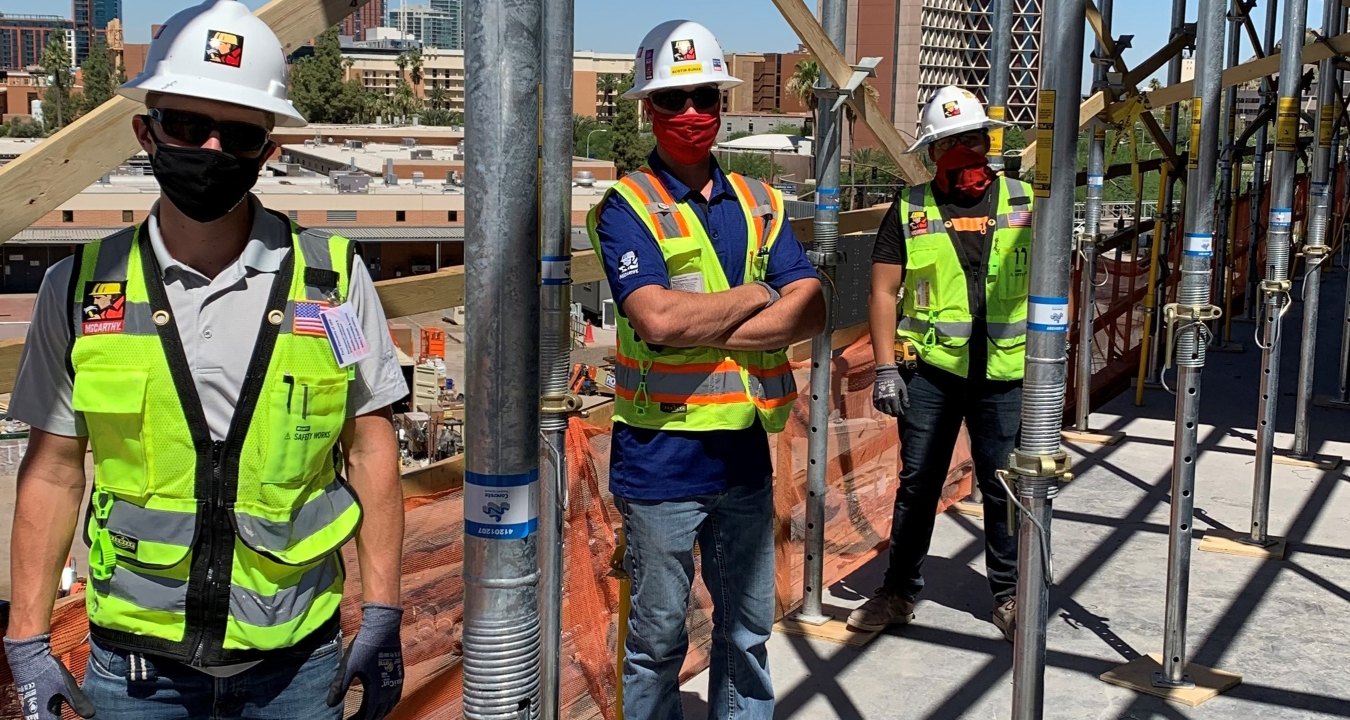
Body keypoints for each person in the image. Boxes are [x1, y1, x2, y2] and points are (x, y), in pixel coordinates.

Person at [2, 2, 409, 719]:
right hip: (137, 673)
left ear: (268, 149)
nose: (212, 150)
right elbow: (55, 471)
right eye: (188, 127)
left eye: (240, 133)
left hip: (296, 666)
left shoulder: (334, 282)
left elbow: (369, 446)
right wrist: (29, 640)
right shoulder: (78, 293)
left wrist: (381, 608)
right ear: (145, 133)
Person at [588, 19, 824, 720]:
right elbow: (656, 320)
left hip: (744, 454)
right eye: (673, 100)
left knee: (747, 632)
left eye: (705, 99)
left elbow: (810, 307)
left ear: (722, 106)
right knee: (658, 639)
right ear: (648, 109)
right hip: (662, 458)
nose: (692, 114)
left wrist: (715, 315)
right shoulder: (628, 206)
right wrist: (759, 294)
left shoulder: (760, 200)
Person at [849, 85, 1030, 642]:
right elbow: (883, 292)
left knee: (1005, 485)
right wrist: (884, 368)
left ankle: (1009, 594)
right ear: (932, 152)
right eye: (950, 142)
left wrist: (1052, 360)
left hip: (1005, 373)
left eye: (971, 139)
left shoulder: (1025, 202)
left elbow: (1050, 286)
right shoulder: (911, 208)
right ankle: (899, 591)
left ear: (987, 140)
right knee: (918, 482)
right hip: (930, 371)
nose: (963, 150)